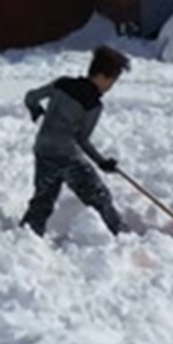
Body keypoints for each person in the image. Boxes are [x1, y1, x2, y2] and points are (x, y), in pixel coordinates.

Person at [19, 45, 131, 237]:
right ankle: (121, 236)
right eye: (112, 81)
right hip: (67, 156)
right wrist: (101, 162)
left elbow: (31, 97)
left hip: (43, 150)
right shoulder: (93, 105)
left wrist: (37, 111)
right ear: (103, 77)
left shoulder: (62, 83)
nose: (110, 87)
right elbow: (82, 139)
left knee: (42, 201)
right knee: (99, 197)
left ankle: (26, 237)